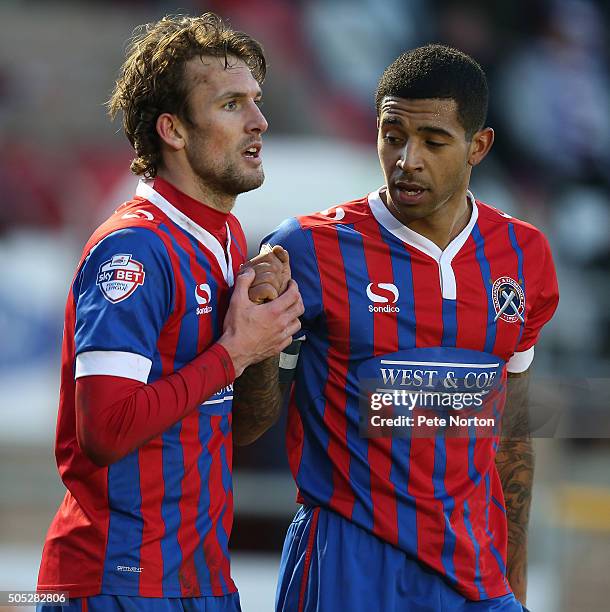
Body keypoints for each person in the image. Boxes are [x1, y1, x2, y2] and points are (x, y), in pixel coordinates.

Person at [256, 45, 558, 611]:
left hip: (473, 570)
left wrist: (513, 576)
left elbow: (510, 432)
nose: (407, 159)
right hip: (349, 558)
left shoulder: (524, 255)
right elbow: (248, 423)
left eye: (433, 142)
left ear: (479, 146)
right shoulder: (306, 248)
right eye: (392, 136)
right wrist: (257, 345)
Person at [36, 13, 302, 612]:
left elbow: (236, 428)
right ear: (173, 131)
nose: (259, 122)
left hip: (202, 581)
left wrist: (265, 345)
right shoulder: (133, 249)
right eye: (232, 104)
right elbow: (104, 432)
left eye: (256, 102)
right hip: (115, 580)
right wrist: (234, 350)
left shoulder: (231, 238)